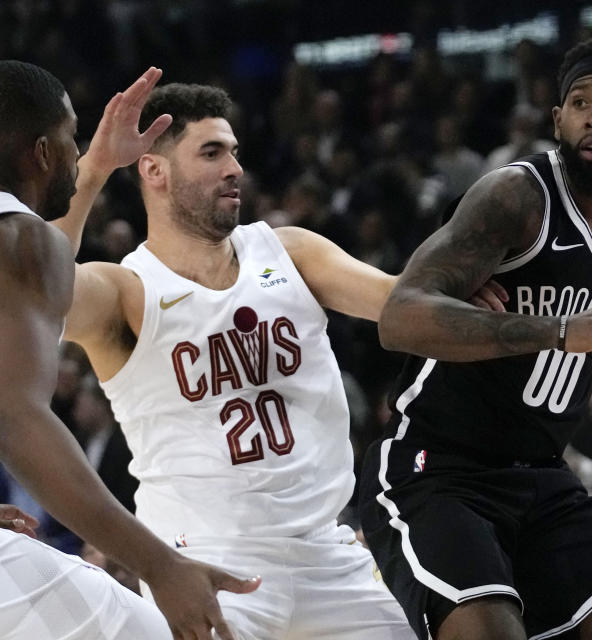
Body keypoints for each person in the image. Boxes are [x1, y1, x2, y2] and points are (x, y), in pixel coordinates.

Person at [58, 81, 504, 639]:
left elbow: (403, 305)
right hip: (207, 560)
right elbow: (36, 286)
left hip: (328, 553)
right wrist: (95, 166)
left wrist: (465, 283)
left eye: (236, 152)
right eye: (211, 152)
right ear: (153, 170)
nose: (234, 169)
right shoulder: (125, 290)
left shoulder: (289, 251)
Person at [360, 36, 592, 640]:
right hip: (435, 468)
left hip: (540, 476)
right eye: (580, 102)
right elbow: (400, 317)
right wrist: (559, 330)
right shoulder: (516, 196)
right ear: (557, 120)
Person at [0, 61, 259, 639]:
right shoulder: (19, 238)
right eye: (73, 138)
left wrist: (93, 167)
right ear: (42, 153)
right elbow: (17, 421)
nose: (79, 152)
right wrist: (161, 566)